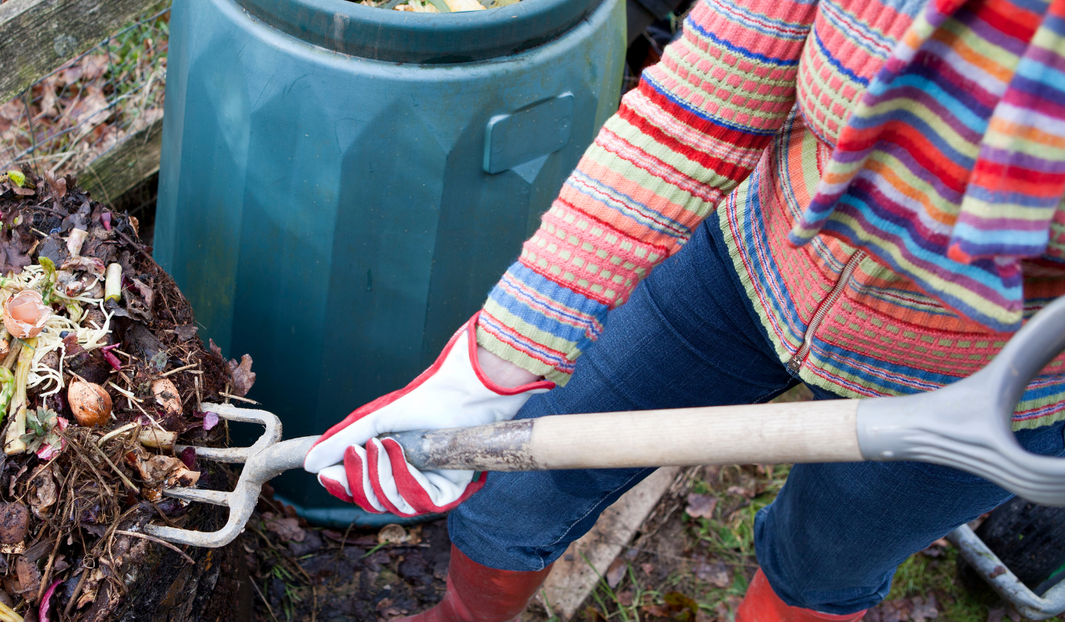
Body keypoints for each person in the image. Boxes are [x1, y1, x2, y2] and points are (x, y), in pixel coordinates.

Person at [302, 0, 1065, 617]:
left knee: (822, 565)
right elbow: (697, 110)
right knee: (515, 491)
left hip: (983, 386)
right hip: (747, 268)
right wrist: (492, 366)